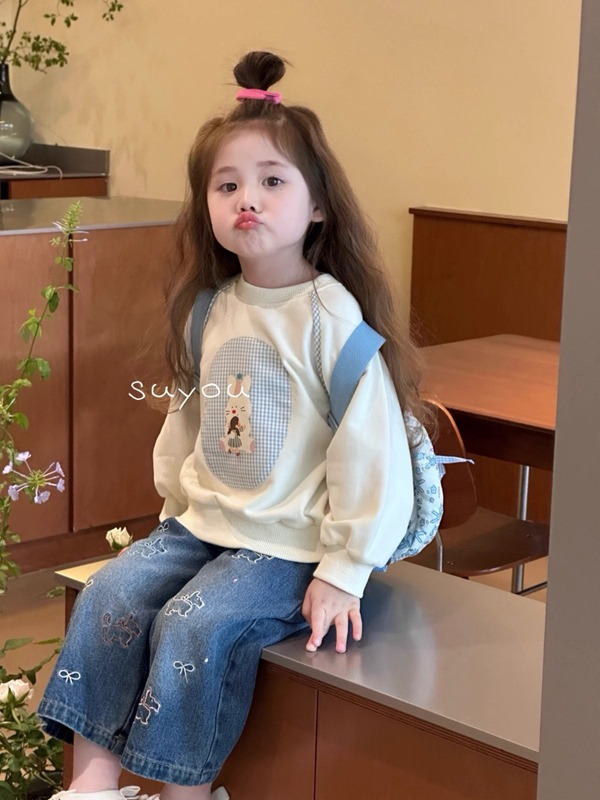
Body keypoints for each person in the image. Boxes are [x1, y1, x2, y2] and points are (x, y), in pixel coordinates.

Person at [38, 51, 426, 800]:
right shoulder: (208, 309)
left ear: (318, 206)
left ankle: (186, 794)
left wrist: (345, 570)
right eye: (228, 185)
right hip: (202, 525)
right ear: (208, 208)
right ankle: (90, 789)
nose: (248, 198)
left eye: (272, 181)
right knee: (109, 593)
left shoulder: (330, 316)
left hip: (287, 544)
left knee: (194, 624)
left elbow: (371, 449)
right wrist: (172, 515)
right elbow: (188, 420)